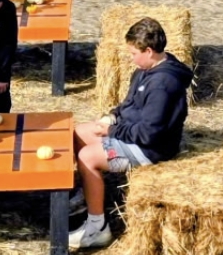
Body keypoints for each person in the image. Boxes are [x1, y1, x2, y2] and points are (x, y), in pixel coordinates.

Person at [68, 17, 192, 250]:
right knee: (77, 134)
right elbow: (129, 105)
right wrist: (113, 116)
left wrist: (113, 130)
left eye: (134, 53)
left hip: (150, 149)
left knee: (87, 156)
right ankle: (88, 194)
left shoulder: (163, 84)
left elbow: (149, 133)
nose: (130, 58)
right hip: (133, 133)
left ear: (148, 51)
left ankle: (97, 229)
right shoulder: (144, 71)